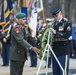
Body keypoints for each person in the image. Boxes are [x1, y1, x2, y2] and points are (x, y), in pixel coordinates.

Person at [50, 6, 72, 75]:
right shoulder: (53, 24)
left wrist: (56, 33)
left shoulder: (66, 23)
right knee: (55, 72)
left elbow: (67, 35)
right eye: (54, 16)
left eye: (56, 15)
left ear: (60, 14)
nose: (55, 17)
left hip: (63, 50)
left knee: (63, 71)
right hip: (55, 50)